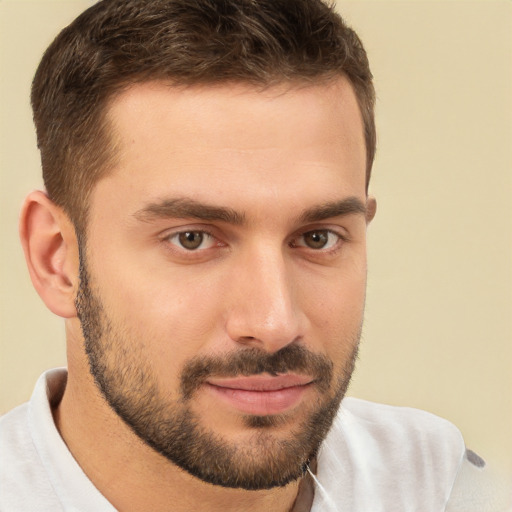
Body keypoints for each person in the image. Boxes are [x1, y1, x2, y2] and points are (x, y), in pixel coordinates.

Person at [0, 1, 507, 511]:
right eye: (192, 239)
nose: (275, 323)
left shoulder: (448, 492)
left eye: (318, 238)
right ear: (56, 259)